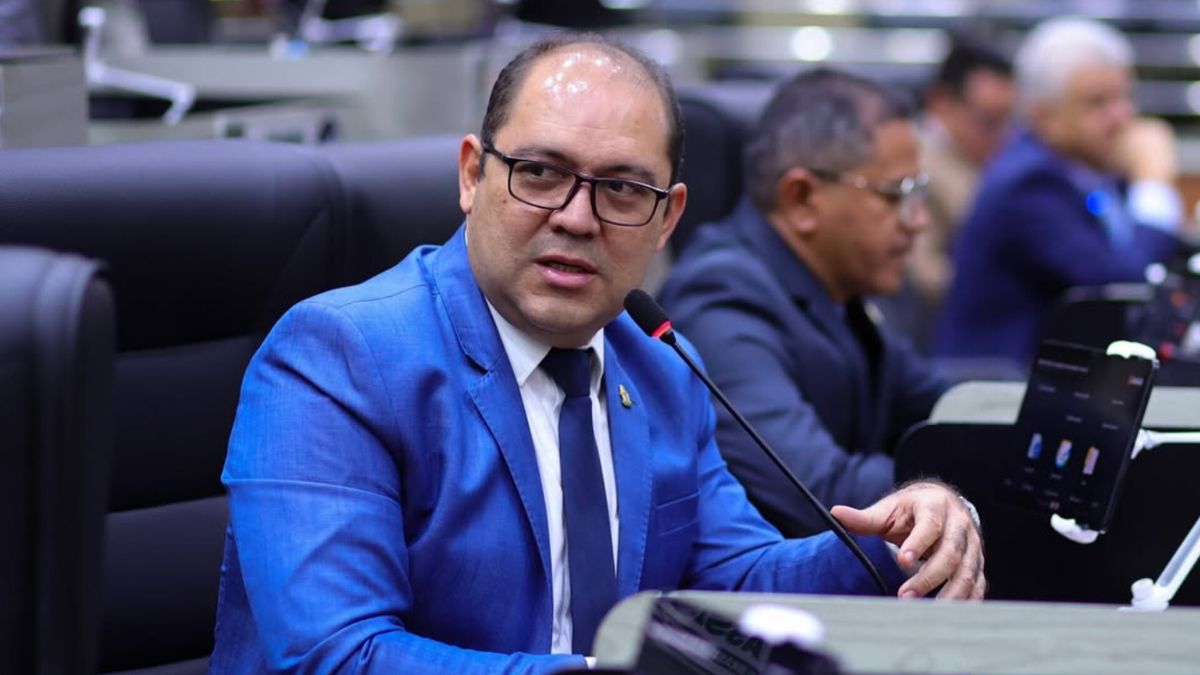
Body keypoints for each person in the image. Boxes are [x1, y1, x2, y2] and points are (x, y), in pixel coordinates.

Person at [210, 35, 984, 674]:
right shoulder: (338, 357)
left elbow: (738, 579)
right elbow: (337, 656)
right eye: (541, 173)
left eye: (622, 190)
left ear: (667, 218)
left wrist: (896, 540)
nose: (577, 219)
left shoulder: (660, 364)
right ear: (473, 175)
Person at [658, 68, 952, 537]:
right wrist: (963, 491)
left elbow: (938, 400)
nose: (916, 222)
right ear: (802, 198)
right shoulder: (719, 300)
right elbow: (822, 495)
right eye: (895, 195)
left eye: (918, 194)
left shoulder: (836, 290)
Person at [935, 17, 1184, 365]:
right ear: (1044, 116)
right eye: (1098, 103)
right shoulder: (1028, 185)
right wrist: (1153, 184)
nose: (1122, 116)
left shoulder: (1092, 169)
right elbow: (1125, 288)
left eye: (1125, 97)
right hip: (999, 386)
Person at [908, 36, 1015, 320]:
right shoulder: (913, 164)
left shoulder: (985, 157)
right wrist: (1009, 285)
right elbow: (923, 273)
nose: (1003, 135)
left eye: (1009, 120)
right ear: (940, 102)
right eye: (989, 121)